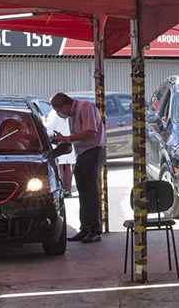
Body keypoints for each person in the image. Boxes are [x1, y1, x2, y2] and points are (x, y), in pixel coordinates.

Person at [50, 92, 106, 243]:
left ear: (66, 105)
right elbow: (78, 134)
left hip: (93, 151)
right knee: (83, 191)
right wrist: (62, 139)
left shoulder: (85, 107)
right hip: (82, 152)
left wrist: (67, 138)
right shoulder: (72, 114)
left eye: (59, 110)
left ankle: (95, 230)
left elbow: (90, 131)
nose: (60, 114)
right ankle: (85, 228)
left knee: (91, 190)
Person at [46, 109, 76, 197]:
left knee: (59, 168)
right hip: (69, 141)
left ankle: (62, 191)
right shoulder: (70, 113)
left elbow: (49, 130)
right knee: (68, 167)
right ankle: (68, 190)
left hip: (58, 142)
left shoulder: (53, 114)